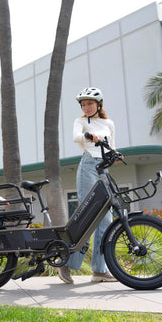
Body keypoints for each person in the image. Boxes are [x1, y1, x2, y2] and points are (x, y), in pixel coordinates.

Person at [57, 87, 121, 284]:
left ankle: (99, 270)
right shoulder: (81, 122)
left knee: (106, 219)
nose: (86, 107)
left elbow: (112, 145)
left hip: (104, 168)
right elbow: (76, 136)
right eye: (83, 104)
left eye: (89, 103)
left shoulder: (108, 123)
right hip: (88, 165)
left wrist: (116, 155)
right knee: (87, 214)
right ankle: (66, 263)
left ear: (98, 104)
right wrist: (87, 135)